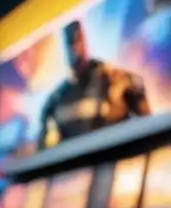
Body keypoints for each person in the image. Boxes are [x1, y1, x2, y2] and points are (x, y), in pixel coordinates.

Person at [37, 19, 151, 150]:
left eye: (77, 40)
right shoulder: (55, 100)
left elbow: (149, 127)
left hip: (119, 163)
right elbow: (45, 152)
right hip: (78, 167)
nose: (74, 48)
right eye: (69, 43)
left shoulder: (118, 80)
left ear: (84, 41)